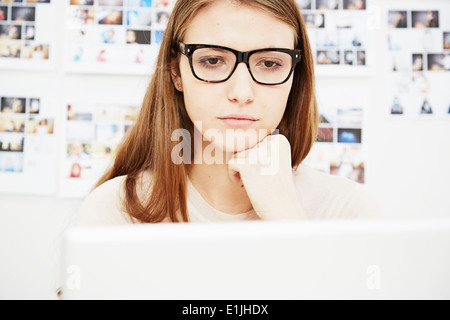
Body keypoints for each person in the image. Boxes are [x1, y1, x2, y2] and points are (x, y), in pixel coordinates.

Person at [76, 0, 381, 226]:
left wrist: (287, 217)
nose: (242, 93)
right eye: (212, 61)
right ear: (175, 71)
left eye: (270, 63)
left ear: (294, 77)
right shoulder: (115, 212)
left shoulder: (348, 212)